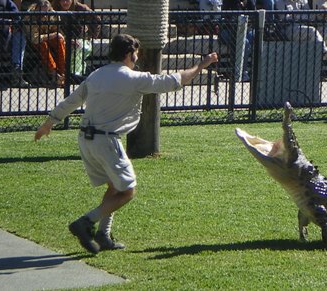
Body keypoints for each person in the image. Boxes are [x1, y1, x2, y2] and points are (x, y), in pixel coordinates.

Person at [34, 34, 218, 254]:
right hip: (106, 140)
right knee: (128, 191)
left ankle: (103, 235)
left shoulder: (96, 75)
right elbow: (176, 80)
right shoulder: (133, 78)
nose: (136, 58)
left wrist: (48, 123)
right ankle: (85, 222)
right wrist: (201, 65)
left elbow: (71, 101)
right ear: (129, 54)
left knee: (114, 185)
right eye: (136, 54)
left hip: (86, 139)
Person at [0, 0, 29, 87]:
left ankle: (17, 67)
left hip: (7, 33)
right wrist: (3, 21)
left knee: (20, 35)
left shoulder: (7, 2)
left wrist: (9, 24)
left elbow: (17, 17)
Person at [51, 0, 101, 79]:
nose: (65, 3)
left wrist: (90, 36)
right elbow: (53, 27)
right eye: (62, 0)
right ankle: (68, 74)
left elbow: (96, 20)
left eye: (67, 0)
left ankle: (75, 76)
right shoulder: (54, 8)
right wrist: (66, 39)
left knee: (78, 47)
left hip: (81, 39)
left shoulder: (81, 8)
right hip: (62, 39)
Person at [209, 0, 255, 82]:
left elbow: (254, 15)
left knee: (254, 35)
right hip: (228, 30)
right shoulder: (230, 2)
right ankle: (241, 72)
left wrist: (246, 4)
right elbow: (227, 17)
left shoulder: (249, 2)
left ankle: (255, 72)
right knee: (245, 43)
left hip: (245, 30)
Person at [25, 0, 66, 87]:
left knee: (60, 41)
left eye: (46, 12)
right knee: (42, 44)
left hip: (48, 37)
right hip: (34, 42)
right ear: (37, 9)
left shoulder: (53, 14)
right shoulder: (30, 16)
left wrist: (59, 36)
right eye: (42, 12)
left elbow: (57, 31)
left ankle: (62, 74)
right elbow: (34, 39)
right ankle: (54, 74)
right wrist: (53, 35)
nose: (44, 15)